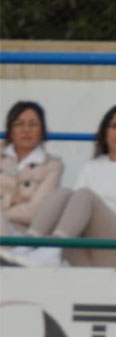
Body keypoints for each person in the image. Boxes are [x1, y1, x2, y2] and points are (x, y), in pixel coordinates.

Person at [5, 104, 116, 268]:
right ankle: (28, 244)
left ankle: (54, 249)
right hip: (90, 249)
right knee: (64, 193)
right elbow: (75, 207)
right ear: (105, 132)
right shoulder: (91, 167)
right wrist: (94, 207)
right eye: (114, 126)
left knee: (85, 196)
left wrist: (97, 206)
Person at [1, 101, 63, 239]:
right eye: (19, 124)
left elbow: (35, 212)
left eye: (33, 124)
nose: (26, 130)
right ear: (10, 130)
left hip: (25, 234)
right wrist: (9, 200)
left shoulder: (52, 165)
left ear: (42, 130)